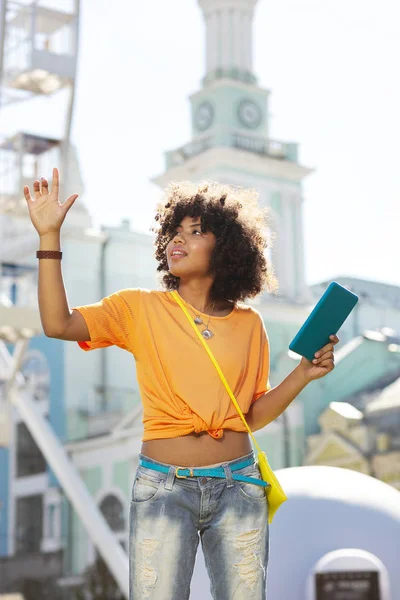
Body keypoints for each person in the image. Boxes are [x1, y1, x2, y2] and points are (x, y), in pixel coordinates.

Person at [24, 169, 338, 600]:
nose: (178, 239)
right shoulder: (137, 309)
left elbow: (250, 416)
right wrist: (49, 238)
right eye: (173, 231)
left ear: (227, 248)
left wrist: (303, 374)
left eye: (195, 231)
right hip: (161, 487)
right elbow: (57, 323)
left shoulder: (250, 325)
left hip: (239, 484)